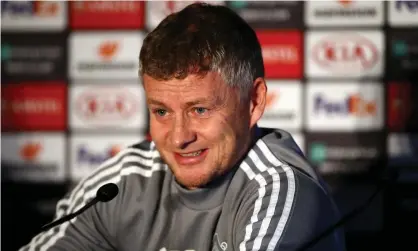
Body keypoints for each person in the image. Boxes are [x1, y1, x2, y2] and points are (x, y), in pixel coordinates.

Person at [19, 3, 345, 251]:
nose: (178, 137)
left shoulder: (281, 190)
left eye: (199, 110)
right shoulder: (120, 185)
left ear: (254, 102)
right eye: (161, 111)